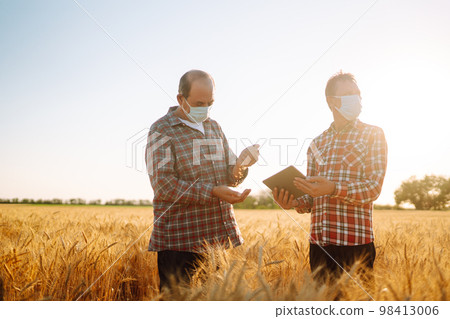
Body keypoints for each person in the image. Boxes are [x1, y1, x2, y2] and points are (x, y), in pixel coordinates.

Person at [145, 69, 259, 292]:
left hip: (216, 243)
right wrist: (214, 191)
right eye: (199, 103)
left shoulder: (214, 127)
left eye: (210, 102)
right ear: (180, 99)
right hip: (180, 244)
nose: (205, 109)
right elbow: (164, 186)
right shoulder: (161, 130)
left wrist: (240, 165)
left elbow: (229, 175)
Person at [273, 71, 388, 290]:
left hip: (355, 245)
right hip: (319, 246)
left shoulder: (373, 134)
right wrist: (294, 202)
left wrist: (334, 188)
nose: (357, 98)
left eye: (358, 93)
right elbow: (311, 197)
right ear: (332, 102)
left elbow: (374, 188)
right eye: (349, 93)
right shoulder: (316, 143)